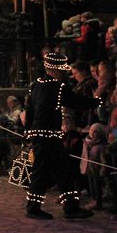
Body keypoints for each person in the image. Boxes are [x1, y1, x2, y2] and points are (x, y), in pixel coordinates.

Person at [23, 53, 100, 220]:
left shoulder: (36, 85)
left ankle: (70, 206)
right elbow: (77, 101)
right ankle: (34, 208)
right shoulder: (57, 87)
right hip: (48, 137)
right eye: (62, 70)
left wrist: (28, 132)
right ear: (54, 69)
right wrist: (98, 101)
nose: (64, 73)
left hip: (42, 135)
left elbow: (30, 111)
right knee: (43, 173)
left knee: (61, 171)